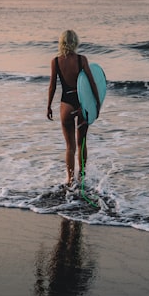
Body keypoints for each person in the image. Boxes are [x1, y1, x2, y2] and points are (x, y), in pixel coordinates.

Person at [46, 30, 101, 185]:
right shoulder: (81, 59)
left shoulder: (55, 61)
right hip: (81, 102)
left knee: (69, 146)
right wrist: (97, 103)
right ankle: (81, 177)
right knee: (81, 142)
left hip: (66, 103)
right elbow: (92, 82)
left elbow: (52, 86)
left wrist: (49, 106)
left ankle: (70, 180)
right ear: (75, 42)